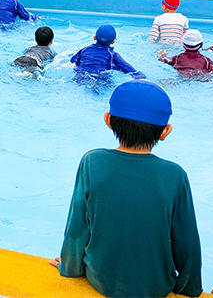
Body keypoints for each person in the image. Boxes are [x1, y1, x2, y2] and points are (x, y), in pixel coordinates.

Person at [49, 80, 202, 298]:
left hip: (101, 280)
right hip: (157, 286)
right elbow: (186, 241)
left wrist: (69, 267)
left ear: (108, 120)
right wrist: (189, 289)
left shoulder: (93, 162)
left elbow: (77, 227)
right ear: (165, 131)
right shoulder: (175, 174)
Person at [70, 25, 144, 82]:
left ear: (94, 37)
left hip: (80, 76)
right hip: (99, 77)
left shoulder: (84, 50)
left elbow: (73, 61)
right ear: (113, 41)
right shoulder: (112, 55)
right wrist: (141, 76)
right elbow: (128, 69)